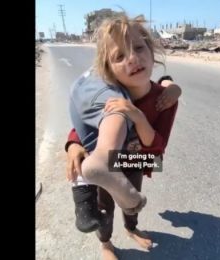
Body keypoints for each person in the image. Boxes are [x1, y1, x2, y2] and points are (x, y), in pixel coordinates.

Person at [67, 13, 180, 260]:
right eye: (119, 56)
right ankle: (106, 244)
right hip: (108, 161)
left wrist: (138, 116)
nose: (132, 58)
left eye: (139, 48)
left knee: (131, 201)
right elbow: (85, 123)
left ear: (152, 51)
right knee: (105, 205)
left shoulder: (165, 99)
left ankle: (131, 228)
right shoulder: (109, 94)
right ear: (108, 71)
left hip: (140, 160)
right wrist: (73, 144)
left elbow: (157, 149)